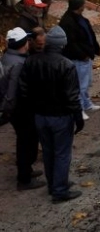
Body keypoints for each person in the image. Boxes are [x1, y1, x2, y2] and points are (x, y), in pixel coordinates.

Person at [18, 26, 83, 203]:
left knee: (48, 151)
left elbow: (23, 89)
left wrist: (32, 108)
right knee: (62, 153)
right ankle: (60, 191)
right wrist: (78, 117)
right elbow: (72, 96)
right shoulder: (66, 65)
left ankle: (53, 184)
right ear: (62, 45)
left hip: (40, 116)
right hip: (60, 117)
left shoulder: (31, 61)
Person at [1, 28, 45, 190]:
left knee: (24, 140)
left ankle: (27, 170)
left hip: (15, 109)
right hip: (21, 109)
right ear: (23, 44)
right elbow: (13, 92)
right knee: (26, 141)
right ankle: (24, 179)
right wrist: (9, 111)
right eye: (27, 41)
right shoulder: (19, 64)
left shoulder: (8, 56)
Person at [59, 0, 100, 120]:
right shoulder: (68, 22)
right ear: (78, 6)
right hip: (77, 58)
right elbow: (70, 43)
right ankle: (79, 108)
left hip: (85, 56)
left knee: (86, 83)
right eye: (83, 4)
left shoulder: (78, 17)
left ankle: (87, 103)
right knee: (79, 85)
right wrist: (82, 55)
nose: (85, 6)